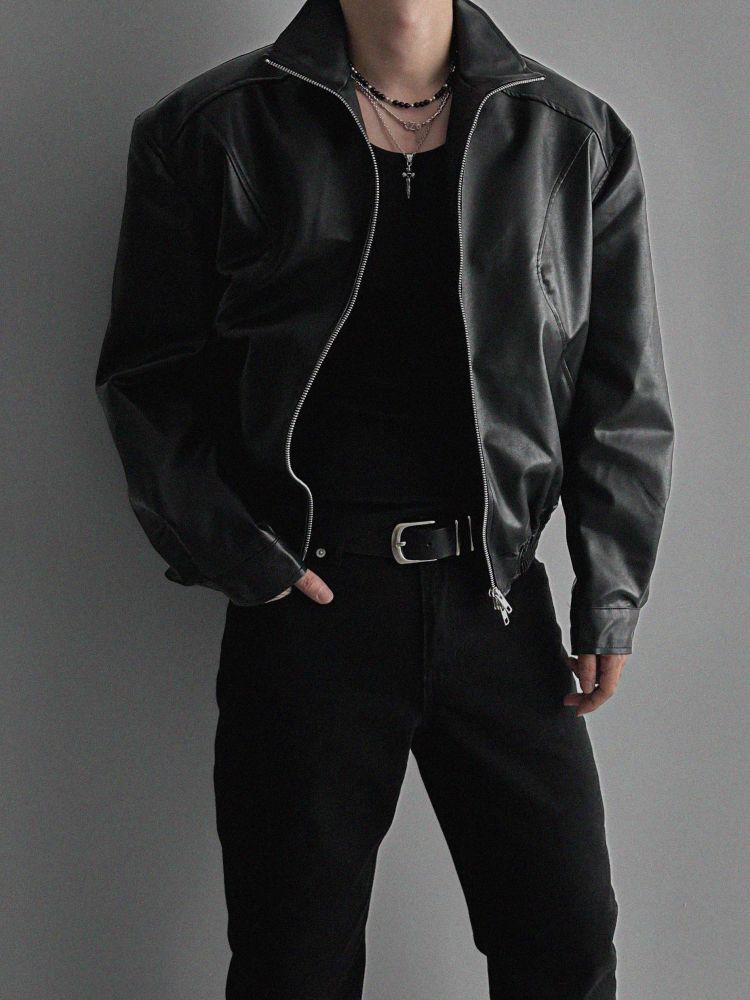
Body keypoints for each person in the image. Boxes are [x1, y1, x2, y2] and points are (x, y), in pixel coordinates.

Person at [95, 0, 674, 996]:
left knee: (568, 945)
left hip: (496, 599)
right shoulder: (208, 130)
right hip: (309, 606)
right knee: (293, 967)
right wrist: (244, 557)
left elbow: (621, 395)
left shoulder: (574, 138)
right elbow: (147, 382)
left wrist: (609, 592)